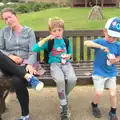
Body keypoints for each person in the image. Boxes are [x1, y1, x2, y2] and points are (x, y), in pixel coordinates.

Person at [0, 7, 44, 120]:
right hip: (8, 63)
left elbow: (33, 51)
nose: (8, 20)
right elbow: (0, 49)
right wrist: (11, 56)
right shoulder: (4, 31)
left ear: (16, 16)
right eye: (5, 19)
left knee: (17, 80)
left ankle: (25, 116)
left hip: (25, 63)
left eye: (10, 17)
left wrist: (29, 64)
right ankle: (29, 77)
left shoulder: (28, 31)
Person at [32, 17, 77, 120]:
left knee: (73, 79)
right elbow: (35, 48)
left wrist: (68, 56)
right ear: (50, 31)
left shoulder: (66, 41)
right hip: (54, 65)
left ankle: (63, 97)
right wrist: (47, 38)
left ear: (63, 30)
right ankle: (64, 109)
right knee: (60, 80)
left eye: (59, 30)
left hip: (66, 64)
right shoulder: (49, 42)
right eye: (54, 30)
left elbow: (70, 53)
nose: (57, 32)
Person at [84, 17, 120, 120]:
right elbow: (86, 43)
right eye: (110, 36)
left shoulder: (117, 45)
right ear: (105, 31)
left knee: (113, 93)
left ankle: (113, 112)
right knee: (99, 93)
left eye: (115, 37)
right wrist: (100, 47)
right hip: (99, 72)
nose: (112, 39)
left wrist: (116, 60)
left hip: (111, 72)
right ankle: (94, 105)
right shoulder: (100, 41)